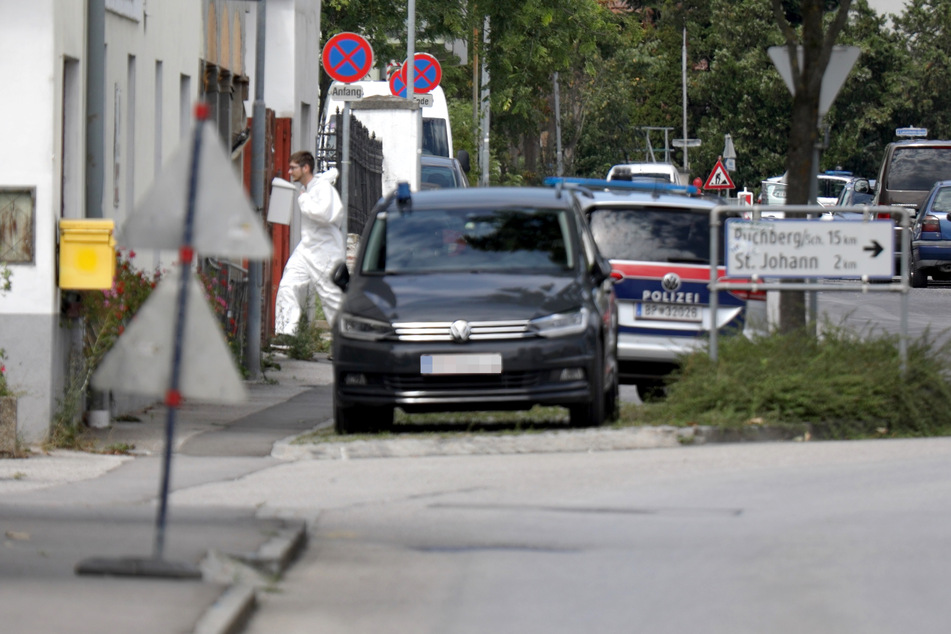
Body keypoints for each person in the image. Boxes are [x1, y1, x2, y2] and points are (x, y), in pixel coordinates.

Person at [274, 151, 345, 336]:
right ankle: (286, 332)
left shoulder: (321, 189)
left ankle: (347, 342)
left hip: (325, 250)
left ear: (305, 168)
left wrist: (304, 200)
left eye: (293, 168)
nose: (289, 172)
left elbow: (324, 214)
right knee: (288, 285)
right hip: (307, 248)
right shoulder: (311, 188)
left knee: (332, 298)